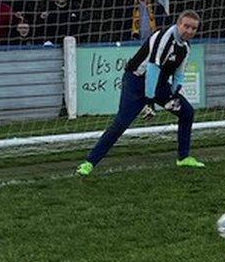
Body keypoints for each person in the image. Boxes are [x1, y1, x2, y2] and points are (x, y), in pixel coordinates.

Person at [76, 11, 205, 177]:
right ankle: (89, 163)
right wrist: (149, 101)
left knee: (186, 112)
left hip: (158, 85)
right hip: (136, 82)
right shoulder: (164, 37)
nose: (189, 31)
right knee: (121, 123)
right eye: (186, 26)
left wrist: (174, 93)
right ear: (178, 24)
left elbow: (179, 74)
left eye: (193, 28)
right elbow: (152, 69)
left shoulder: (185, 47)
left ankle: (183, 157)